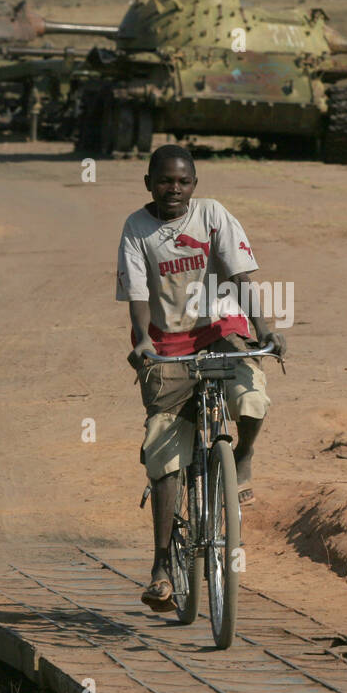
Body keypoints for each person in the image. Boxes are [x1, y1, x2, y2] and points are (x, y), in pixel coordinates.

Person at [116, 144, 285, 611]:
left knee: (251, 398)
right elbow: (136, 296)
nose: (174, 189)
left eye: (183, 181)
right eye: (165, 181)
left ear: (195, 184)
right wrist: (142, 344)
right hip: (167, 345)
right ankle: (161, 566)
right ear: (148, 182)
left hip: (220, 331)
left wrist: (265, 329)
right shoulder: (137, 229)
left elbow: (243, 278)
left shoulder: (213, 216)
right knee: (164, 454)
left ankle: (242, 458)